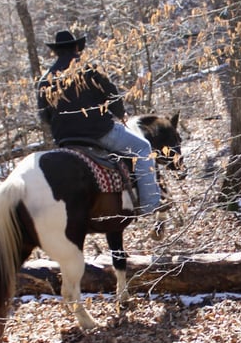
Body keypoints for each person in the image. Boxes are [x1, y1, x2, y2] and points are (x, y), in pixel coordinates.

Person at [37, 30, 162, 215]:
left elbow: (44, 117)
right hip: (99, 133)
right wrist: (120, 115)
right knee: (143, 148)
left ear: (56, 52)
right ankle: (150, 206)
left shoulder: (45, 80)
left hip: (65, 140)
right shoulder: (91, 69)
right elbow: (113, 99)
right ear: (77, 48)